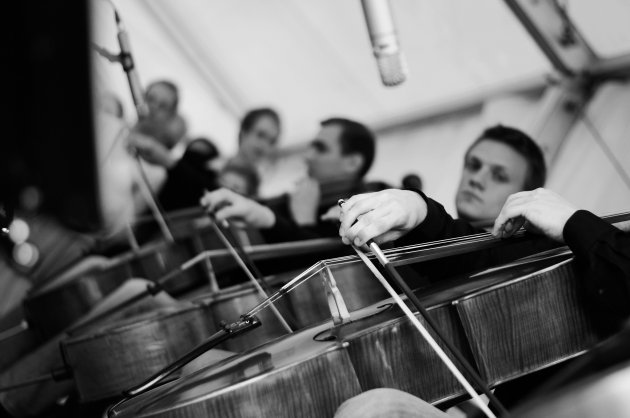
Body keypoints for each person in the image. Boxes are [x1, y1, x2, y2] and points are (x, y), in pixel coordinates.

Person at [334, 189, 630, 418]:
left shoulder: (596, 241)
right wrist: (420, 212)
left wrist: (575, 222)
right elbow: (486, 264)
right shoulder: (591, 246)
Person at [201, 117, 376, 243]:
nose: (307, 156)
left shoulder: (361, 214)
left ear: (352, 163)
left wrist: (305, 222)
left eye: (320, 149)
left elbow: (327, 265)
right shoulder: (304, 196)